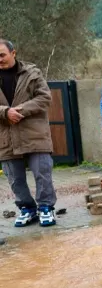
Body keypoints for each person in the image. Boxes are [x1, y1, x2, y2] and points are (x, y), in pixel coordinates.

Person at [0, 40, 57, 228]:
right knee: (15, 179)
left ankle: (46, 207)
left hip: (34, 134)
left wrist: (20, 111)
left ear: (13, 53)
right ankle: (27, 208)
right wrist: (5, 112)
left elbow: (45, 97)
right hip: (6, 136)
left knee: (42, 173)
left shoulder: (32, 73)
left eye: (2, 55)